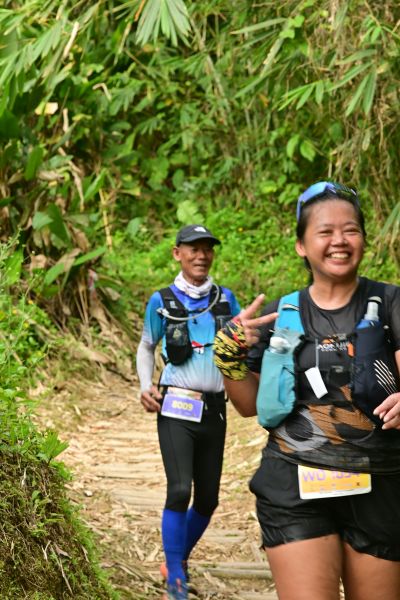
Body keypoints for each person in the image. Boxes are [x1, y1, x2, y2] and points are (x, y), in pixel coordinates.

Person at [213, 182, 400, 600]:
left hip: (382, 485)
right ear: (301, 245)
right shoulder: (282, 315)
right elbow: (247, 405)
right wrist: (228, 358)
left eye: (350, 230)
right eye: (325, 231)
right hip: (294, 484)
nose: (339, 240)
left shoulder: (391, 303)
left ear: (364, 239)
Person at [136, 224, 240, 600]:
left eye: (207, 249)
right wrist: (145, 385)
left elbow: (243, 343)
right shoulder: (161, 300)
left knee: (208, 500)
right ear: (177, 253)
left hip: (215, 410)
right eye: (193, 249)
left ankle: (175, 560)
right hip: (176, 406)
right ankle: (176, 579)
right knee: (180, 490)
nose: (201, 255)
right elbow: (147, 345)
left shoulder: (226, 300)